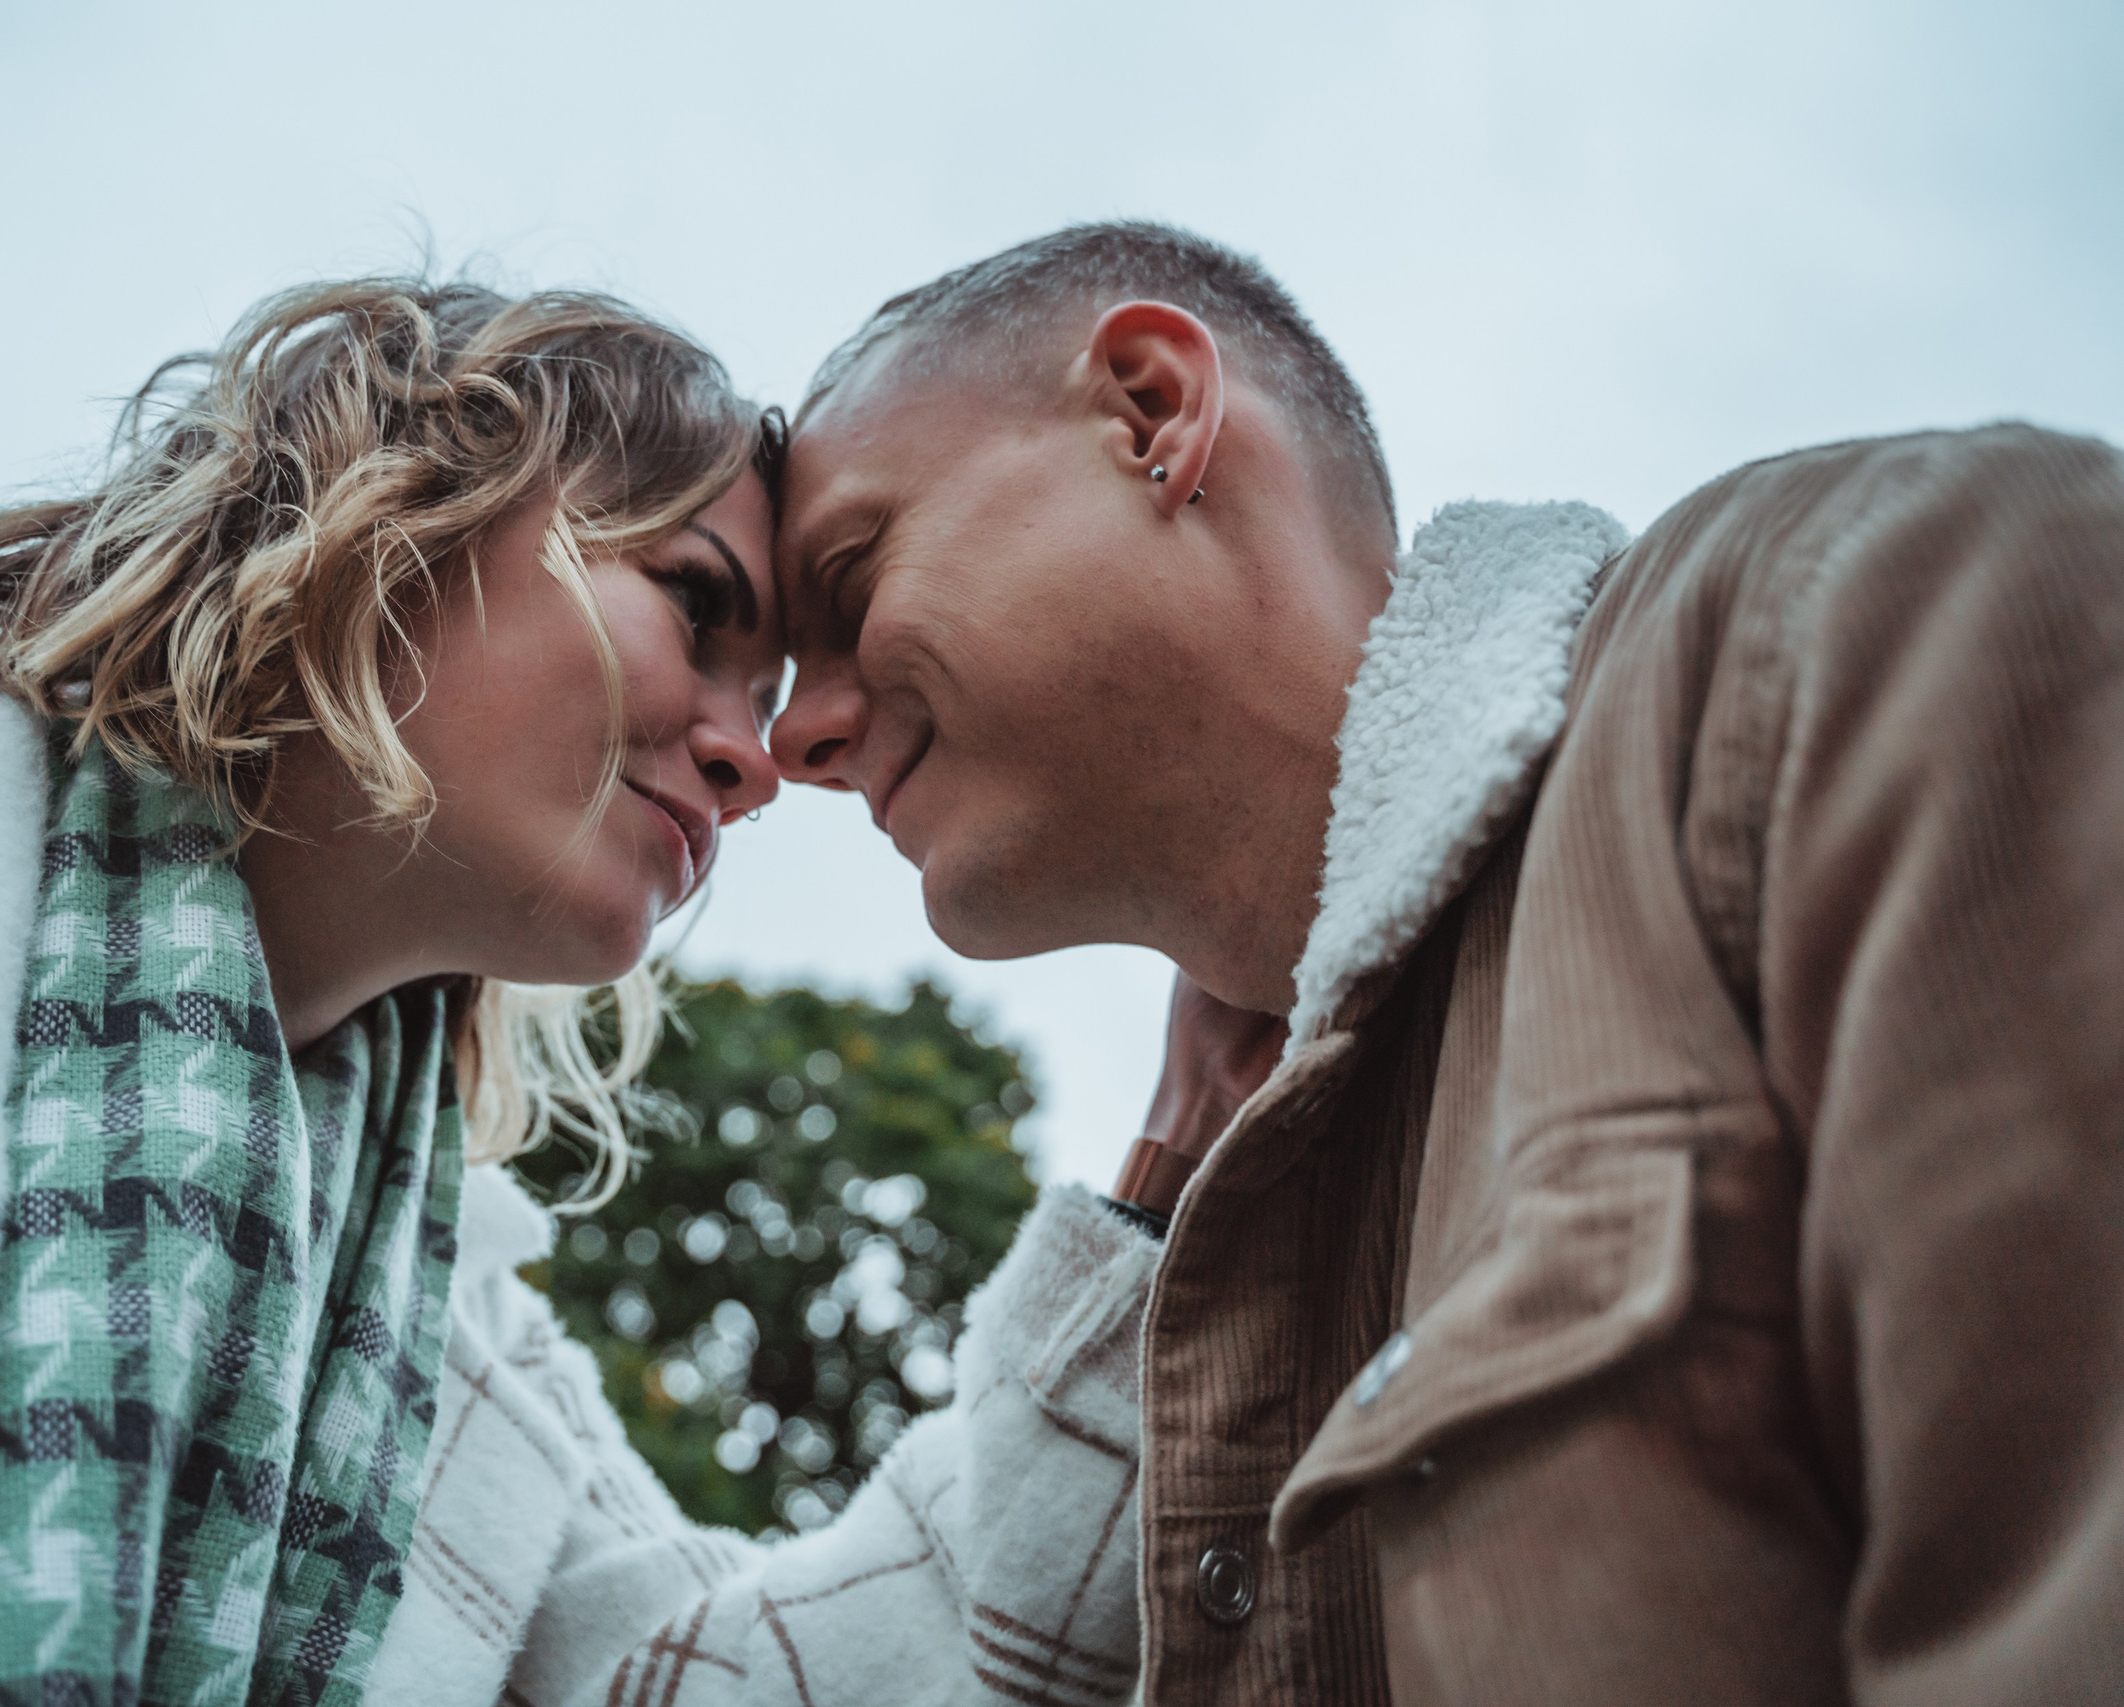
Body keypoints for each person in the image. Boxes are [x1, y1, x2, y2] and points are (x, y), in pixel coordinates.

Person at [0, 277, 1157, 1707]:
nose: (753, 766)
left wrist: (1166, 1186)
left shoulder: (456, 1341)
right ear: (391, 509)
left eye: (769, 701)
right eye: (691, 604)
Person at [770, 220, 2124, 1704]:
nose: (794, 740)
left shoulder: (1856, 626)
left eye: (850, 578)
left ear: (1152, 416)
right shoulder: (1218, 1204)